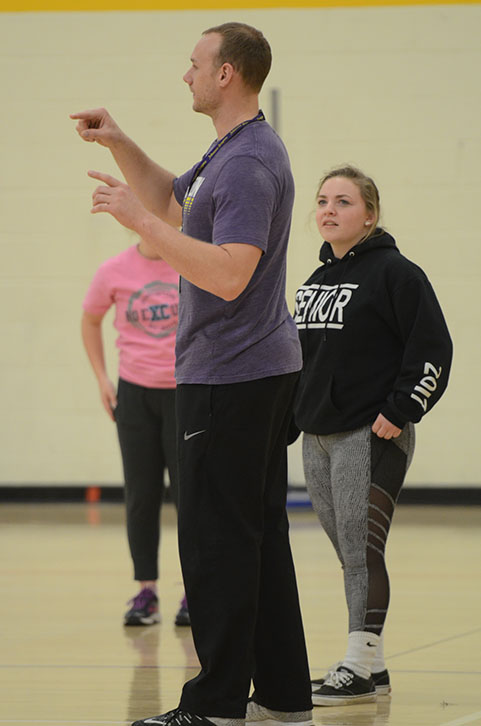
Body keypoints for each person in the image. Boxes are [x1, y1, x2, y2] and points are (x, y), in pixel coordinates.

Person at [71, 21, 313, 726]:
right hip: (250, 372)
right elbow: (175, 202)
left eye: (194, 64)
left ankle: (214, 705)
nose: (187, 75)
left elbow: (232, 274)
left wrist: (138, 227)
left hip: (233, 376)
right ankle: (282, 695)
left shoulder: (246, 162)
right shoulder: (230, 151)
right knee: (257, 536)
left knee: (217, 543)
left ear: (227, 74)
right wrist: (119, 143)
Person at [293, 165, 453, 707]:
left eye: (343, 201)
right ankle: (375, 667)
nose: (329, 210)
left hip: (370, 433)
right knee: (349, 554)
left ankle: (357, 665)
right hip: (318, 436)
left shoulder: (397, 274)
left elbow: (433, 347)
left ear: (371, 214)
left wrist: (404, 407)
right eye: (322, 201)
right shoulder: (314, 283)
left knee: (363, 553)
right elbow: (304, 362)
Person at [81, 238, 190, 628]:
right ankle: (146, 592)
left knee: (189, 497)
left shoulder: (191, 262)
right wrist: (101, 379)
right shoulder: (113, 270)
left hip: (185, 393)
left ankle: (194, 592)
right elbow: (90, 319)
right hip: (135, 394)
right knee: (141, 495)